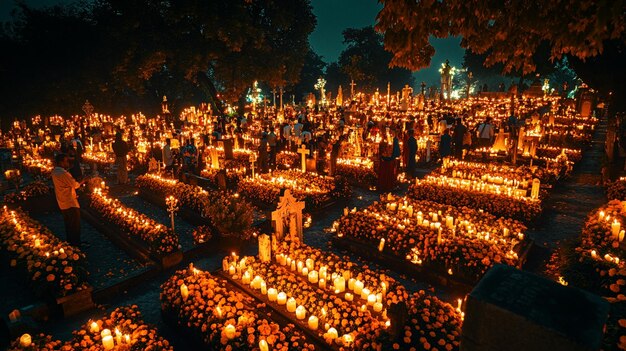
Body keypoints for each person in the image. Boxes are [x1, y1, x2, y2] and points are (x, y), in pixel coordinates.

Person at [51, 153, 85, 247]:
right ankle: (76, 245)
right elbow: (75, 185)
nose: (68, 163)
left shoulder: (55, 172)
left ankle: (71, 242)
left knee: (69, 224)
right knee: (75, 225)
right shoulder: (62, 173)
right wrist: (83, 181)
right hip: (70, 202)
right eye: (66, 161)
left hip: (62, 201)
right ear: (61, 162)